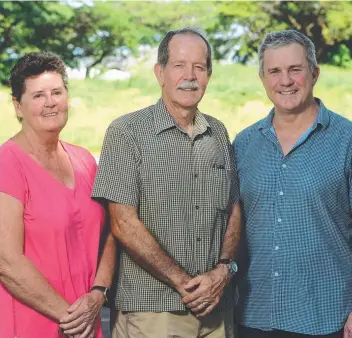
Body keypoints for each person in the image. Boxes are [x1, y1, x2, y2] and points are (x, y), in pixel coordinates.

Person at [92, 27, 241, 338]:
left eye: (199, 67)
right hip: (152, 314)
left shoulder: (219, 133)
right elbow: (122, 224)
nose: (190, 75)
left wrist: (223, 269)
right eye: (179, 65)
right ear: (160, 73)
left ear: (209, 75)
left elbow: (233, 207)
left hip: (216, 309)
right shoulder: (126, 132)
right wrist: (184, 284)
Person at [233, 30, 352, 338]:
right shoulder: (243, 144)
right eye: (275, 71)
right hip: (255, 315)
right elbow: (235, 227)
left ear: (314, 73)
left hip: (327, 319)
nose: (286, 81)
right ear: (263, 78)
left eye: (295, 69)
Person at [0, 52, 116, 338]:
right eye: (38, 95)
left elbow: (112, 233)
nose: (50, 102)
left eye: (57, 92)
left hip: (87, 322)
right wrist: (70, 317)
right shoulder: (7, 163)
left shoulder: (85, 160)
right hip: (32, 324)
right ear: (18, 106)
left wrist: (99, 293)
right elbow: (7, 262)